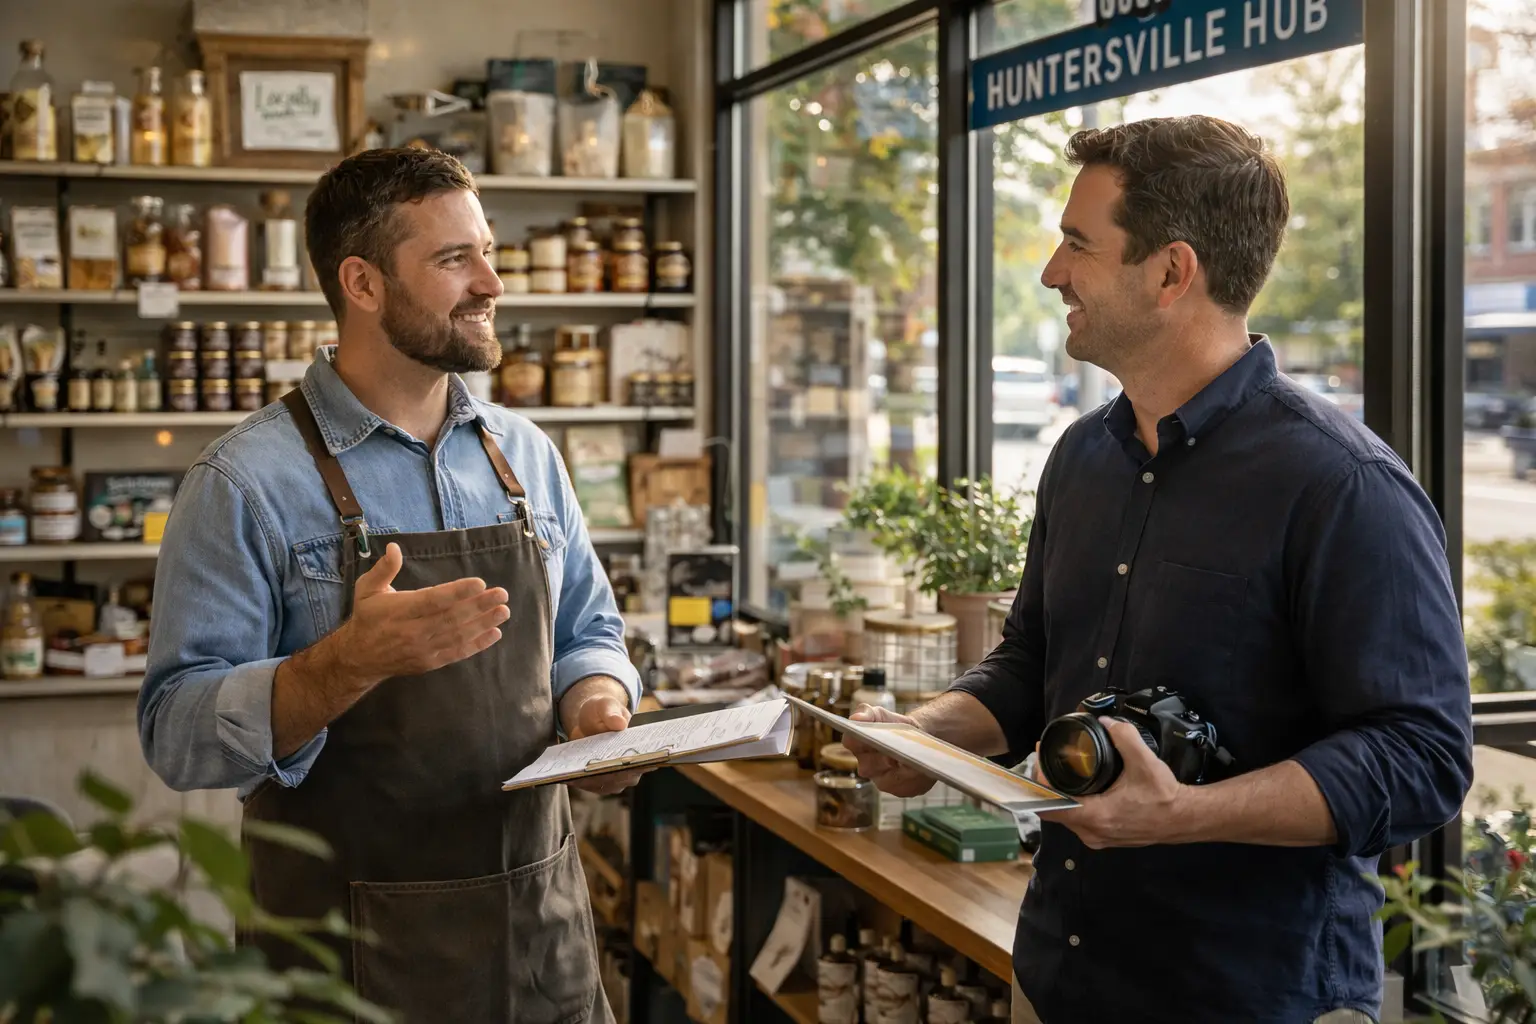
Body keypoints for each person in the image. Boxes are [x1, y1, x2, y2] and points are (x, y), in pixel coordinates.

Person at [846, 116, 1473, 1024]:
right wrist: (924, 734)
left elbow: (1421, 756)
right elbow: (1030, 665)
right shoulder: (1080, 460)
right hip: (1061, 972)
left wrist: (1185, 812)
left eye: (1076, 244)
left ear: (1173, 272)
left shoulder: (1343, 484)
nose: (1052, 272)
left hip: (1250, 996)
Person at [138, 147, 643, 1024]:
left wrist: (597, 706)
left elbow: (587, 631)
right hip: (342, 965)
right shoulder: (244, 482)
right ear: (362, 284)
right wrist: (343, 665)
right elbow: (176, 734)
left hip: (541, 940)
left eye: (487, 252)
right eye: (455, 259)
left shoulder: (526, 456)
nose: (490, 282)